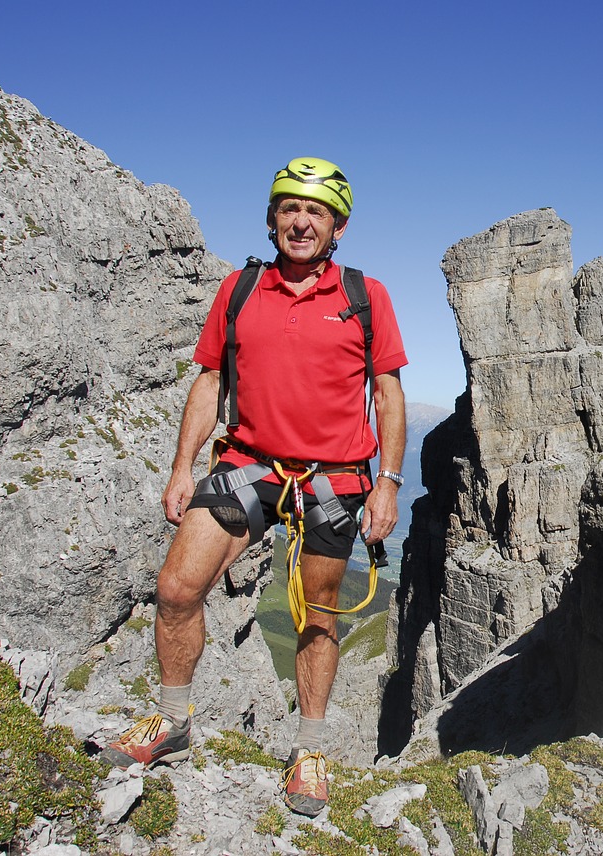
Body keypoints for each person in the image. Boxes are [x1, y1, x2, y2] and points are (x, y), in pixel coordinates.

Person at [99, 157, 407, 817]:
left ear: (338, 227)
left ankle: (311, 749)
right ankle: (173, 721)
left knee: (317, 613)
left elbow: (387, 391)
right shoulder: (240, 290)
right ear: (272, 219)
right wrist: (184, 466)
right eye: (290, 209)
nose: (301, 222)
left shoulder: (365, 295)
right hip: (249, 463)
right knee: (177, 588)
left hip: (335, 477)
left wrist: (387, 482)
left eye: (316, 212)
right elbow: (209, 380)